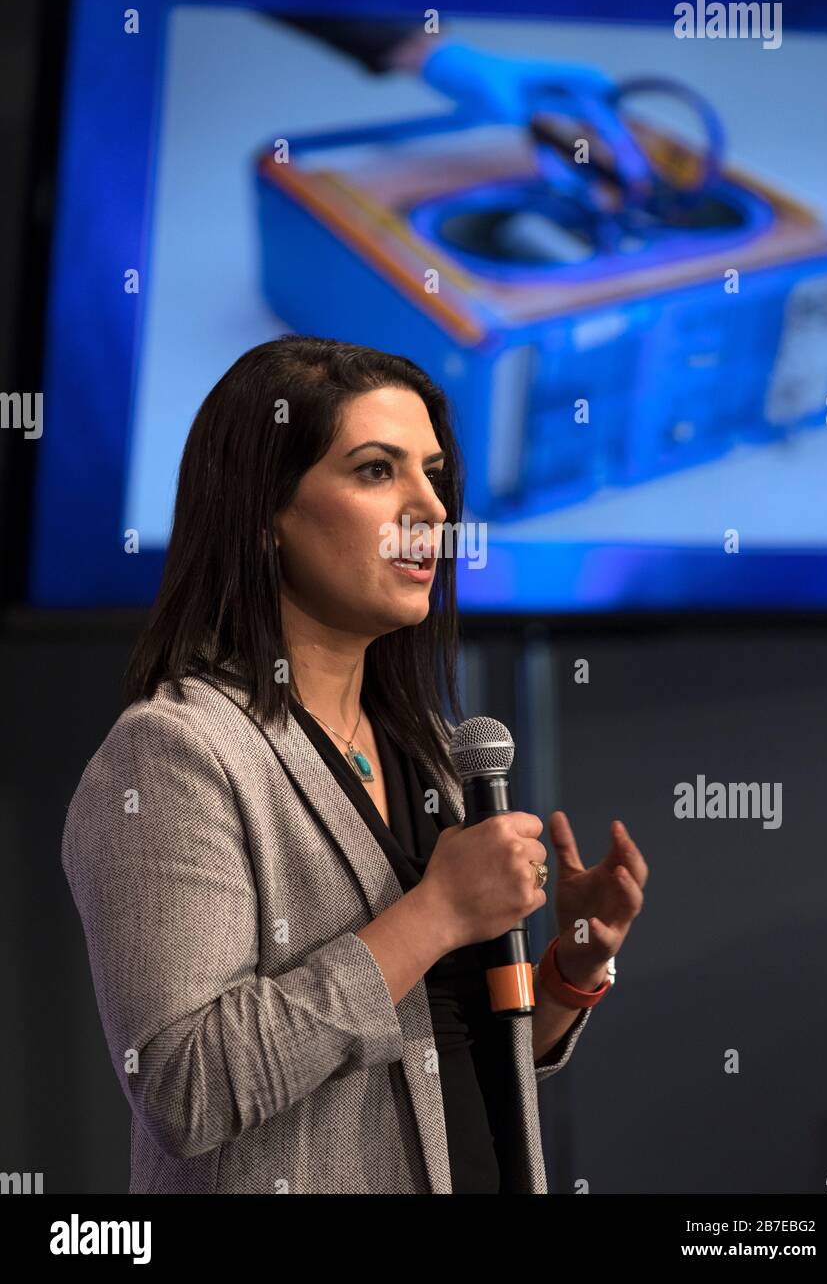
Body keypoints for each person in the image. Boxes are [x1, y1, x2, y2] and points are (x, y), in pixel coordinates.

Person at [61, 333, 646, 1193]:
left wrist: (569, 969)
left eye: (434, 474)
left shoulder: (428, 757)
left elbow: (440, 1058)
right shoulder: (175, 752)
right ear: (264, 513)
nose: (434, 511)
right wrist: (438, 914)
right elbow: (183, 1086)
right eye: (378, 471)